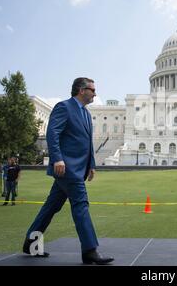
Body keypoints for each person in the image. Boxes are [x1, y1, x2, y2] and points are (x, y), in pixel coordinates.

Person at [23, 77, 113, 265]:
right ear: (82, 90)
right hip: (67, 167)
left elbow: (87, 142)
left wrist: (91, 165)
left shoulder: (87, 114)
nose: (95, 93)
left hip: (79, 167)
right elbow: (52, 133)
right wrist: (57, 158)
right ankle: (90, 250)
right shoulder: (64, 107)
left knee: (51, 207)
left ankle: (31, 243)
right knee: (81, 205)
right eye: (92, 90)